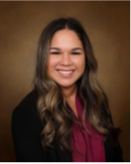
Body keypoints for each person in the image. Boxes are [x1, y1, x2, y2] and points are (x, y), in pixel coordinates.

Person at [12, 18, 123, 163]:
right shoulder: (26, 114)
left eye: (75, 53)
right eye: (56, 53)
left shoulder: (97, 100)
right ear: (43, 58)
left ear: (86, 57)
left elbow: (116, 156)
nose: (66, 62)